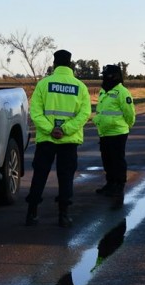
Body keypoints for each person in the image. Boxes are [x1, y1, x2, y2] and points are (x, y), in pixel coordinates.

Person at [25, 49, 91, 228]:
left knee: (39, 175)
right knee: (66, 177)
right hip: (68, 141)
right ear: (71, 65)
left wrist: (50, 130)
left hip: (47, 140)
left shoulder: (44, 84)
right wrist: (65, 130)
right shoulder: (80, 87)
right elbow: (85, 113)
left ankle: (31, 213)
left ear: (54, 64)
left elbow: (35, 112)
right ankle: (64, 215)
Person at [92, 65, 136, 209]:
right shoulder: (103, 91)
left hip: (118, 132)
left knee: (117, 160)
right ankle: (110, 183)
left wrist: (128, 125)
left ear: (115, 76)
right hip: (104, 132)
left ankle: (119, 185)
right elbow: (101, 110)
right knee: (107, 159)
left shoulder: (122, 92)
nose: (104, 77)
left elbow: (129, 112)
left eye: (107, 74)